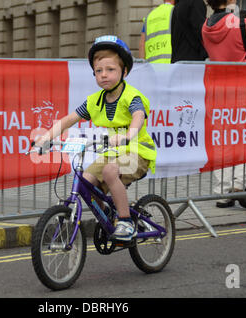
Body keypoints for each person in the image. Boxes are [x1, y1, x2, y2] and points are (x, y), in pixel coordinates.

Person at [34, 35, 157, 241]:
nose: (104, 75)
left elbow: (138, 117)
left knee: (109, 171)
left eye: (110, 70)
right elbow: (68, 120)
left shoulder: (131, 96)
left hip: (138, 152)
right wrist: (44, 138)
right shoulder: (94, 101)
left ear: (124, 71)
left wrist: (128, 136)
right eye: (98, 71)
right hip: (113, 153)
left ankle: (125, 222)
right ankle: (108, 216)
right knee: (85, 182)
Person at [202, 0, 246, 209]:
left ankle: (223, 192)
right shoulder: (240, 23)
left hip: (218, 89)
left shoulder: (205, 26)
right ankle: (242, 186)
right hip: (243, 86)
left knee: (222, 138)